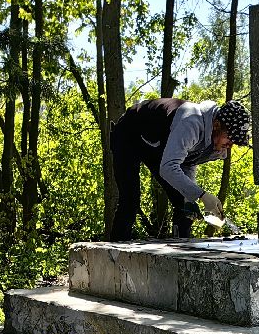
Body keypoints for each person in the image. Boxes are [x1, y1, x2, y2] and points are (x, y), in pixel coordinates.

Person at [105, 97, 251, 241]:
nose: (231, 145)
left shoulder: (214, 144)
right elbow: (168, 167)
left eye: (236, 141)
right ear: (217, 125)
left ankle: (182, 248)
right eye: (230, 138)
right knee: (130, 199)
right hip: (129, 133)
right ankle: (115, 249)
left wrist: (190, 198)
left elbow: (188, 163)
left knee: (185, 206)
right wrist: (202, 195)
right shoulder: (191, 123)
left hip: (159, 147)